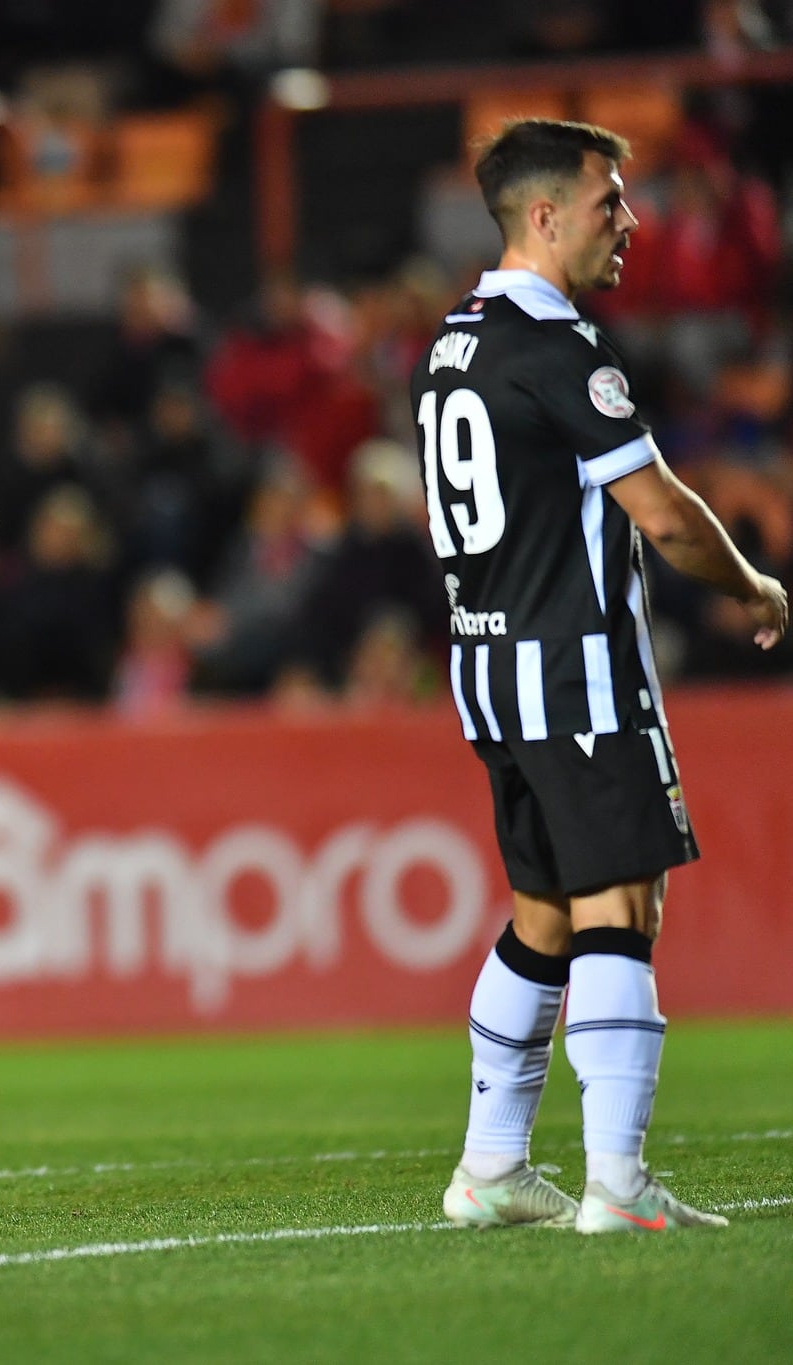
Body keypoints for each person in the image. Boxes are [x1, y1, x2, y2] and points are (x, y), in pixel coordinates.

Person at [416, 119, 785, 1235]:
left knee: (542, 917)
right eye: (607, 201)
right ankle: (614, 1184)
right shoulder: (555, 347)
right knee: (619, 906)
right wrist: (755, 590)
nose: (628, 222)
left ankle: (488, 1170)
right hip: (572, 670)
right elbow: (663, 517)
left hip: (486, 666)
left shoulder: (451, 342)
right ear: (543, 215)